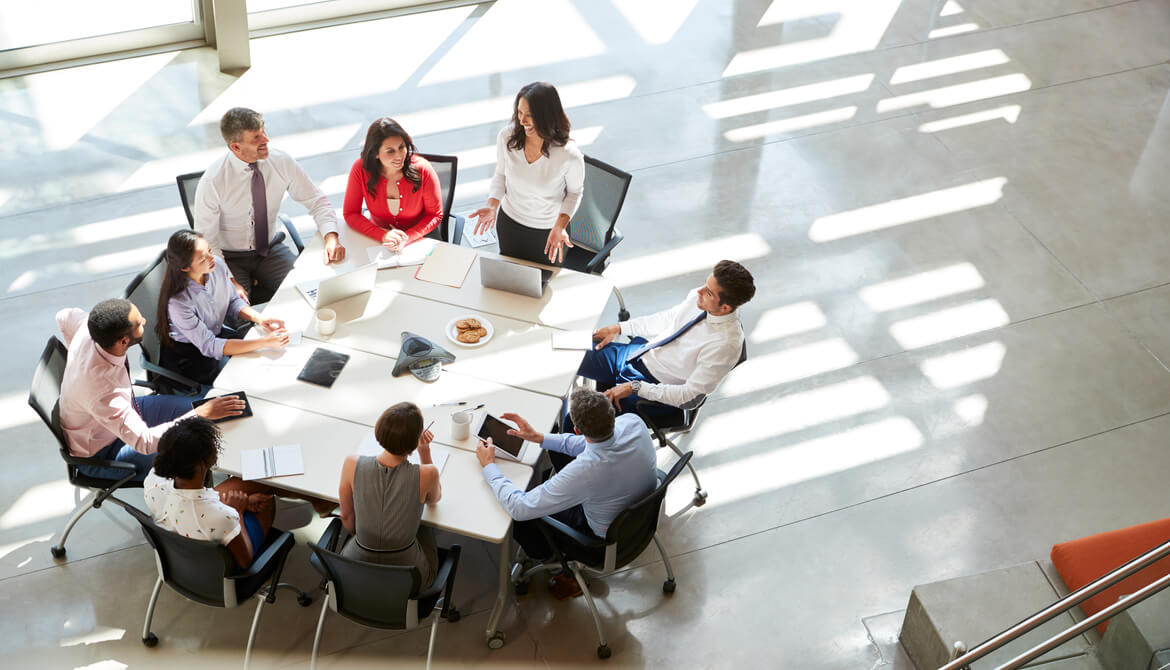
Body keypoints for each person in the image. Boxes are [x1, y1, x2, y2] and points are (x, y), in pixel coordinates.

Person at [475, 389, 656, 596]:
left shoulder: (586, 471)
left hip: (597, 543)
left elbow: (519, 508)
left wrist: (489, 466)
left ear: (577, 429)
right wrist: (538, 437)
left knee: (515, 510)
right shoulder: (633, 422)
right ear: (612, 414)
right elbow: (587, 445)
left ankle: (549, 557)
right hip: (636, 518)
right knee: (552, 466)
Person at [57, 299, 245, 481]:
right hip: (103, 453)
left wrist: (76, 363)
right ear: (123, 341)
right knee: (194, 449)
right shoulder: (104, 392)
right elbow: (144, 442)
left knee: (216, 406)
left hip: (124, 411)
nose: (145, 321)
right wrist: (198, 415)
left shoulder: (88, 328)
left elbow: (63, 316)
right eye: (139, 323)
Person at [193, 107, 346, 305]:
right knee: (237, 311)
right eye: (256, 138)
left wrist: (331, 237)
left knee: (311, 295)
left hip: (270, 250)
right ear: (236, 147)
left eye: (264, 132)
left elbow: (317, 201)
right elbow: (207, 242)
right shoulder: (213, 181)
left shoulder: (281, 161)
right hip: (229, 258)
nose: (266, 140)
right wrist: (229, 280)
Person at [578, 260, 756, 421]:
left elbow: (689, 396)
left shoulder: (726, 345)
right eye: (705, 283)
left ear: (725, 308)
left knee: (578, 422)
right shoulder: (700, 298)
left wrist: (636, 387)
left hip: (654, 390)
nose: (699, 291)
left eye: (708, 292)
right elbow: (668, 319)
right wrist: (619, 328)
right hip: (638, 355)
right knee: (570, 350)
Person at [470, 82, 584, 265]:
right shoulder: (507, 137)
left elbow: (575, 192)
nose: (522, 121)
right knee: (509, 281)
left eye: (529, 115)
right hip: (510, 225)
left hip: (549, 233)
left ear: (547, 116)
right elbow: (501, 175)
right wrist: (492, 205)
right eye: (519, 113)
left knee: (542, 287)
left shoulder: (569, 155)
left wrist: (560, 226)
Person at [157, 229, 290, 385]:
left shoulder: (217, 266)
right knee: (244, 377)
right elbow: (210, 346)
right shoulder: (178, 302)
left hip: (215, 333)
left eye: (210, 251)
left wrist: (259, 318)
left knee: (263, 359)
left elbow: (233, 301)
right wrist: (264, 342)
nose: (211, 258)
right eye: (202, 259)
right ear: (185, 267)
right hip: (191, 355)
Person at [144, 417, 277, 568]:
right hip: (218, 571)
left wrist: (242, 503)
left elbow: (200, 507)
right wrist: (238, 511)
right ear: (207, 459)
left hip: (182, 547)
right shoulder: (224, 515)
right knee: (267, 496)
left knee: (252, 487)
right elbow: (245, 561)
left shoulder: (153, 480)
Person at [336, 402, 441, 583]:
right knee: (426, 528)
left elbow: (346, 516)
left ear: (379, 431)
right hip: (409, 578)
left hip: (355, 570)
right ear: (415, 442)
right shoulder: (428, 473)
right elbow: (434, 499)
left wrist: (362, 537)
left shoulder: (351, 464)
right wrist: (425, 453)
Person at [343, 118, 443, 250]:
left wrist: (407, 238)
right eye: (390, 151)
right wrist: (383, 235)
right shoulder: (360, 169)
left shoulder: (423, 169)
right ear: (376, 153)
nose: (399, 155)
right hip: (382, 241)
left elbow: (435, 215)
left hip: (420, 238)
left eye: (401, 147)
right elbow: (350, 213)